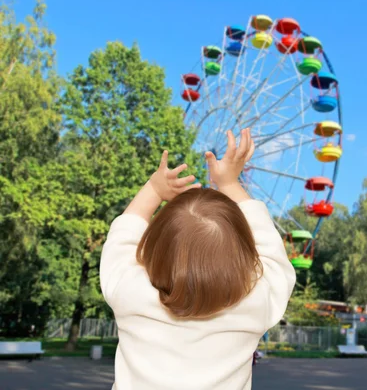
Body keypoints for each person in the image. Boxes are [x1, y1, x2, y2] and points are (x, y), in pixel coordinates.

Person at [100, 129, 296, 390]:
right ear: (245, 255)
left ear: (151, 247)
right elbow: (272, 250)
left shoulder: (129, 291)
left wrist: (154, 190)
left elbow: (122, 234)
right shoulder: (256, 302)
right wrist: (229, 184)